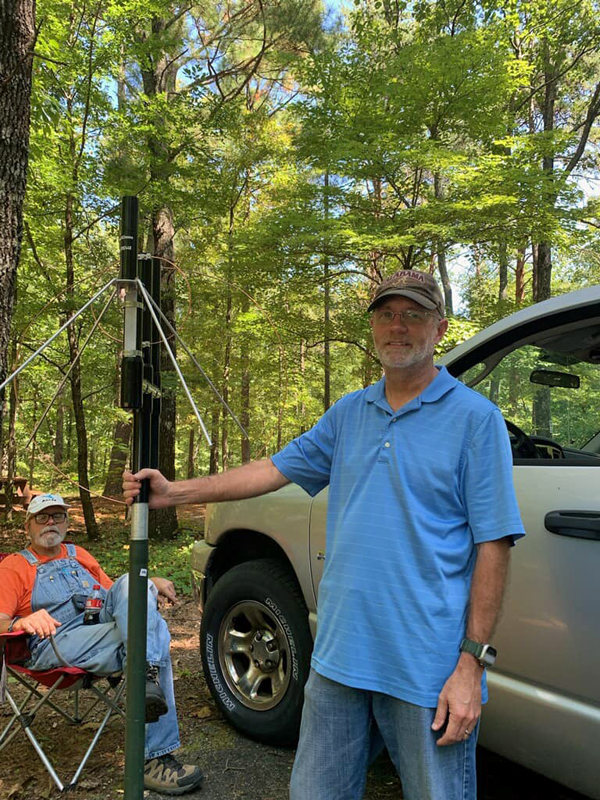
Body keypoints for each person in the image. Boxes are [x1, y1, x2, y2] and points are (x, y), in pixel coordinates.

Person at [123, 269, 525, 800]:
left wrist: (470, 665)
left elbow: (493, 545)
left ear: (439, 327)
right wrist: (174, 493)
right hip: (339, 658)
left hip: (426, 666)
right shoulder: (349, 414)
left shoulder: (476, 420)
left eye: (414, 315)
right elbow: (272, 471)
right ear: (374, 327)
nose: (397, 327)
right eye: (386, 315)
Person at [0, 492, 203, 796]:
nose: (51, 522)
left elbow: (119, 595)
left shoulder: (79, 554)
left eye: (58, 516)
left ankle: (144, 675)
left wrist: (149, 583)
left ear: (67, 522)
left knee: (137, 584)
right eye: (42, 517)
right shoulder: (15, 566)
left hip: (100, 628)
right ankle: (152, 756)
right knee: (151, 631)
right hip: (54, 642)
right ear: (28, 525)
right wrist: (21, 622)